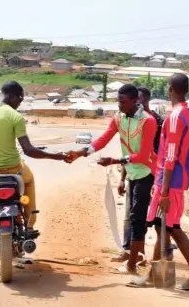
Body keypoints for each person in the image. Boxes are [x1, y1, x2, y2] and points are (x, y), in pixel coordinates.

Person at [0, 81, 71, 270]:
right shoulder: (15, 117)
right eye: (20, 99)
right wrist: (58, 157)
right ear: (14, 96)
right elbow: (29, 150)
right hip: (15, 172)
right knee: (30, 181)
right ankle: (30, 224)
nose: (20, 103)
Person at [67, 84, 157, 274]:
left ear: (135, 101)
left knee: (137, 218)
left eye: (123, 102)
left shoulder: (148, 121)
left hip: (148, 172)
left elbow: (144, 155)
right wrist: (81, 152)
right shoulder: (119, 118)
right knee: (135, 218)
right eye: (118, 101)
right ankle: (136, 259)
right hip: (133, 172)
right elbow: (103, 139)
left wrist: (114, 160)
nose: (119, 105)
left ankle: (133, 264)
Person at [129, 73, 189, 289]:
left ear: (170, 89)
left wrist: (163, 191)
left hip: (170, 180)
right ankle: (156, 276)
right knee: (162, 226)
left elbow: (171, 155)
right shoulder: (188, 113)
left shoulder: (175, 117)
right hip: (174, 179)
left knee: (171, 226)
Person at [112, 86, 164, 264]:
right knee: (132, 216)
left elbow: (154, 153)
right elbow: (129, 150)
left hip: (152, 174)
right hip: (134, 171)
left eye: (140, 100)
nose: (138, 104)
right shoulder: (127, 119)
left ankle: (158, 255)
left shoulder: (154, 121)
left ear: (144, 100)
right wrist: (122, 178)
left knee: (154, 218)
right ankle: (132, 252)